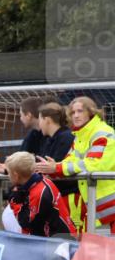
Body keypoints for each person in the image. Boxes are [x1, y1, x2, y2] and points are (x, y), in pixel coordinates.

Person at [36, 96, 115, 233]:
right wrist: (54, 168)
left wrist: (57, 167)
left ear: (91, 112)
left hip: (108, 208)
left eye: (80, 111)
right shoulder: (80, 136)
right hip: (103, 209)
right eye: (73, 112)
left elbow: (93, 164)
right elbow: (70, 160)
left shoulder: (102, 133)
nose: (76, 115)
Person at [4, 152, 73, 237]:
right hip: (55, 237)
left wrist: (15, 201)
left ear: (16, 175)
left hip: (58, 241)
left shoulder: (39, 193)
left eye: (8, 173)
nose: (8, 176)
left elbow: (25, 223)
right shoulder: (39, 182)